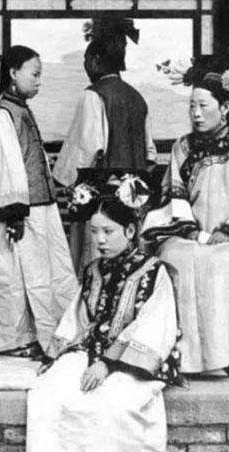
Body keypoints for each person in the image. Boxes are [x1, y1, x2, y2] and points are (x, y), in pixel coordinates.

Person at [26, 179, 181, 452]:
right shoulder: (93, 270)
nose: (99, 240)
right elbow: (78, 319)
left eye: (108, 232)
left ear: (130, 231)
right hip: (91, 350)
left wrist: (108, 364)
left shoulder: (154, 272)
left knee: (114, 404)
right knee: (50, 394)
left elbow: (154, 327)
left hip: (134, 360)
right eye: (94, 231)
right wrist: (56, 355)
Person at [141, 61, 229, 377]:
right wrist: (188, 231)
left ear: (224, 107)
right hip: (189, 235)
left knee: (219, 264)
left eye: (203, 106)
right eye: (192, 106)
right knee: (175, 259)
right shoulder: (183, 147)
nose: (196, 114)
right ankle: (182, 358)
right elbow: (174, 194)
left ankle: (222, 358)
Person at [0, 45, 78, 357]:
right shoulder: (2, 115)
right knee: (9, 278)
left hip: (36, 211)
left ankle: (49, 336)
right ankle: (9, 341)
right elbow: (2, 167)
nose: (39, 81)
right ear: (13, 73)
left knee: (42, 275)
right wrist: (13, 214)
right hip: (11, 213)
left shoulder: (18, 110)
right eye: (35, 74)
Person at [53, 17, 157, 274]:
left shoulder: (93, 95)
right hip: (133, 198)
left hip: (100, 198)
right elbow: (150, 154)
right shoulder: (137, 98)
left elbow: (87, 149)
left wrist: (64, 181)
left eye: (86, 60)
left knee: (95, 262)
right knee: (129, 260)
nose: (86, 66)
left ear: (96, 60)